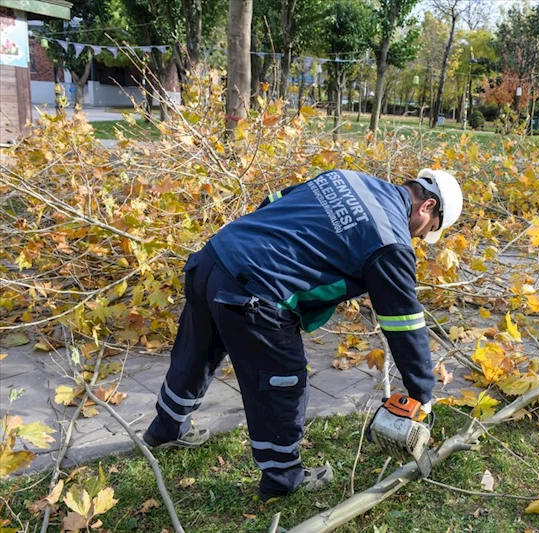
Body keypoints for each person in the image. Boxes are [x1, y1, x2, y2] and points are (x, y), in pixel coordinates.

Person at [142, 168, 463, 500]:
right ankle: (283, 478)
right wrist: (421, 393)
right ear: (427, 207)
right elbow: (405, 325)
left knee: (197, 352)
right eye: (428, 231)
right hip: (255, 293)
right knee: (283, 382)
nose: (420, 238)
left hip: (213, 257)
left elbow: (273, 202)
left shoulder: (347, 178)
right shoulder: (391, 241)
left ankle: (166, 429)